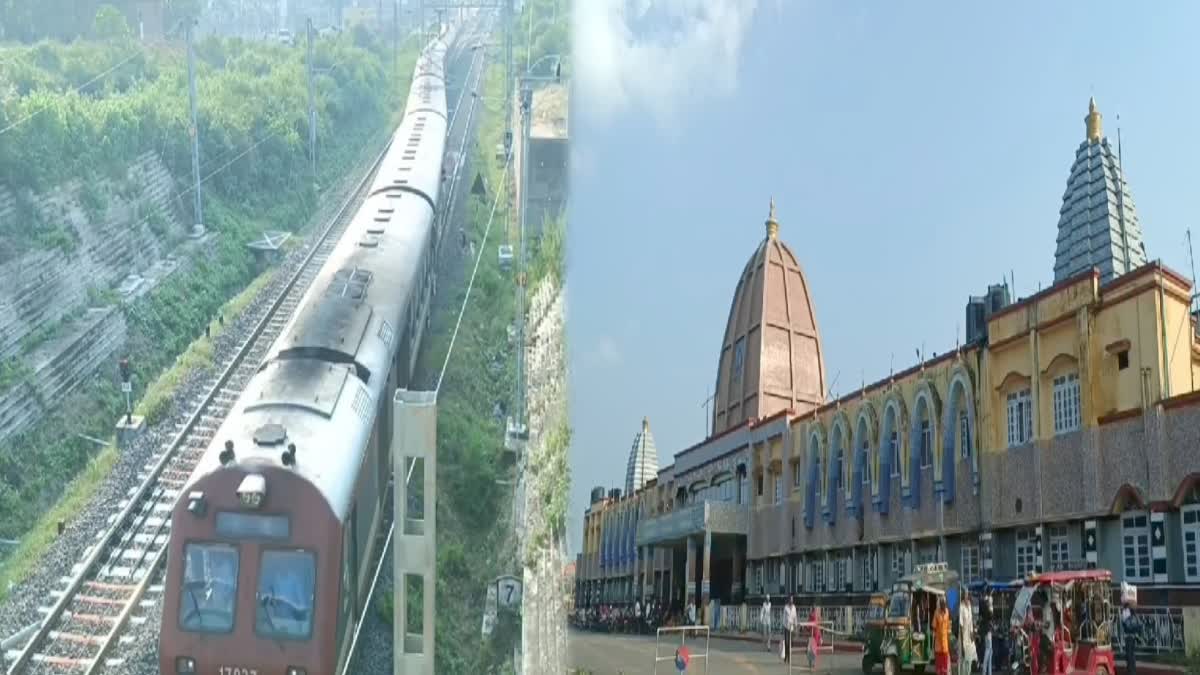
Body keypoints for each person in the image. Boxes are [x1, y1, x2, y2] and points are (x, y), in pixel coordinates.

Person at [959, 593, 977, 675]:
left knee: (969, 659)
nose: (968, 599)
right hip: (963, 636)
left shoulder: (969, 607)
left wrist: (972, 636)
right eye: (966, 597)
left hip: (969, 637)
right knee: (964, 659)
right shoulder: (961, 607)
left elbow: (971, 624)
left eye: (968, 597)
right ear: (964, 598)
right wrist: (962, 641)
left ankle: (968, 673)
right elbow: (961, 625)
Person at [933, 596, 951, 675]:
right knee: (939, 667)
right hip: (938, 644)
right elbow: (934, 626)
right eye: (942, 604)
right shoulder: (936, 612)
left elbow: (948, 627)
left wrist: (949, 639)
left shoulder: (947, 612)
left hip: (945, 644)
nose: (943, 607)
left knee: (944, 666)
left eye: (944, 605)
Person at [1121, 600, 1138, 675]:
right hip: (1132, 637)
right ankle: (1131, 670)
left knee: (1129, 654)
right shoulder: (1134, 617)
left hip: (1129, 637)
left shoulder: (1130, 617)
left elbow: (1127, 626)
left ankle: (1131, 671)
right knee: (1131, 654)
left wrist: (1124, 623)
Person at [980, 594, 995, 675]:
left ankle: (989, 672)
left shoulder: (984, 606)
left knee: (990, 651)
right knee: (988, 650)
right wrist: (991, 606)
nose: (992, 601)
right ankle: (984, 671)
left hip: (987, 631)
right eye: (991, 600)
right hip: (988, 632)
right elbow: (991, 617)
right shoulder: (988, 608)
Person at [784, 596, 798, 663]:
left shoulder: (794, 608)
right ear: (789, 600)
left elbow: (795, 617)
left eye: (792, 599)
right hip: (786, 627)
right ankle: (787, 656)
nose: (791, 601)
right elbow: (784, 617)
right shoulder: (786, 607)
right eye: (790, 599)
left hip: (792, 627)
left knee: (791, 643)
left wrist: (796, 625)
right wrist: (783, 626)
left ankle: (788, 656)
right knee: (787, 643)